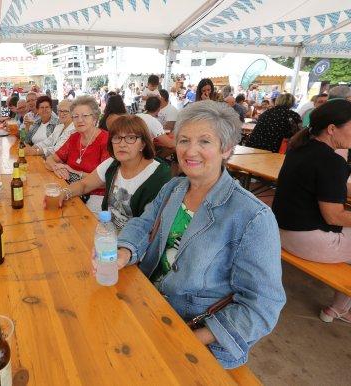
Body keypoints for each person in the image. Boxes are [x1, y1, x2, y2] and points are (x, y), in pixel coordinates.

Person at [116, 101, 285, 369]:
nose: (190, 151)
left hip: (197, 336)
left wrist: (192, 338)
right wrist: (122, 252)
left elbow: (261, 306)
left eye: (204, 141)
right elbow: (144, 224)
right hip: (147, 305)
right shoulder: (174, 187)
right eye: (183, 140)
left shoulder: (253, 217)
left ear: (226, 148)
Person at [273, 99, 351, 324]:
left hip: (282, 232)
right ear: (332, 129)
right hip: (306, 240)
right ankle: (337, 309)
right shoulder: (332, 161)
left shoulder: (300, 148)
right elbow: (333, 216)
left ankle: (338, 307)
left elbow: (322, 183)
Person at [57, 115, 171, 230]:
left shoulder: (159, 175)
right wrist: (64, 193)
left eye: (131, 138)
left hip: (133, 243)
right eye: (117, 138)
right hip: (106, 232)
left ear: (143, 144)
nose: (122, 144)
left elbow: (152, 228)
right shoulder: (113, 163)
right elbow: (84, 185)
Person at [45, 95, 110, 213]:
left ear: (95, 118)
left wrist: (73, 172)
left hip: (96, 198)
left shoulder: (106, 141)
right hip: (71, 190)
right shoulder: (74, 138)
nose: (80, 120)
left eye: (85, 116)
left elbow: (106, 182)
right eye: (75, 116)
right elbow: (50, 159)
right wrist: (57, 168)